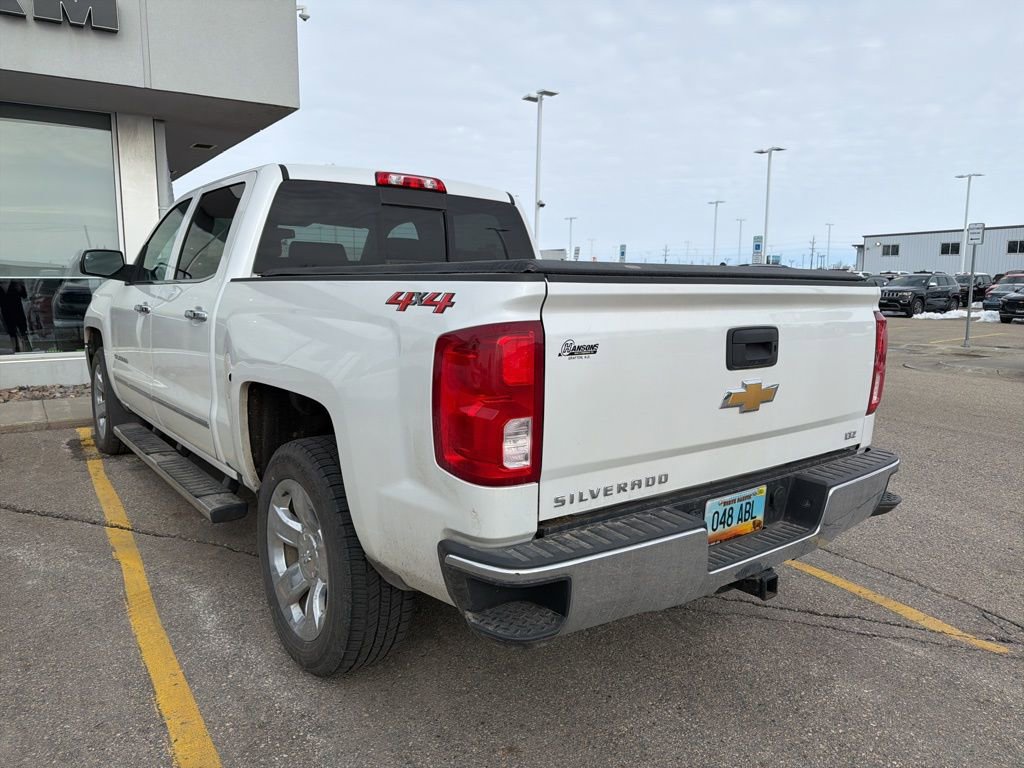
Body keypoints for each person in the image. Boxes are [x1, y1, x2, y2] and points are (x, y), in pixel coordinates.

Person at [0, 279, 31, 353]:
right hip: (6, 313)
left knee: (23, 331)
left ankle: (27, 349)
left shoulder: (15, 283)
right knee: (11, 333)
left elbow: (24, 295)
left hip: (18, 311)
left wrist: (20, 288)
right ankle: (15, 350)